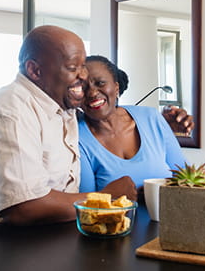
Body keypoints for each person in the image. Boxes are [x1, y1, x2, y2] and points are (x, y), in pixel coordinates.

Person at [0, 26, 136, 233]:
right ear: (35, 71)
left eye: (83, 66)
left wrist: (166, 121)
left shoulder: (62, 105)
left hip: (33, 239)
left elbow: (102, 110)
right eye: (74, 67)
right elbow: (23, 208)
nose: (84, 75)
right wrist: (106, 197)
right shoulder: (11, 109)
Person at [77, 55, 188, 196]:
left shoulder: (151, 117)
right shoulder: (77, 138)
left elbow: (183, 176)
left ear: (116, 87)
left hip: (171, 214)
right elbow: (87, 204)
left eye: (100, 83)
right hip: (114, 218)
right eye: (83, 88)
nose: (92, 93)